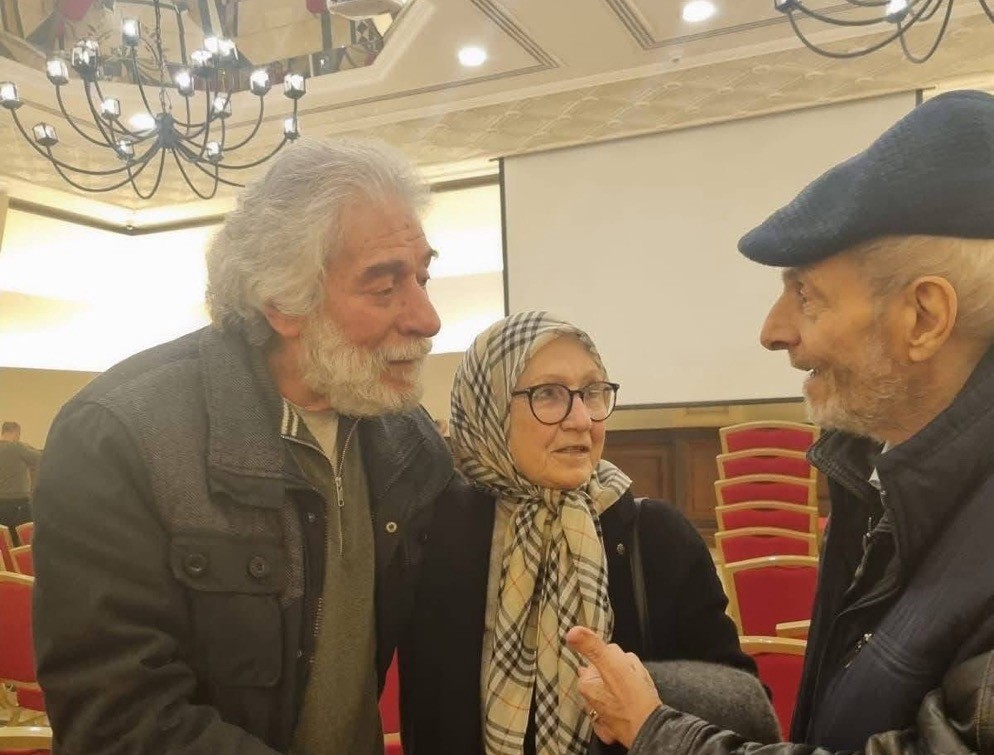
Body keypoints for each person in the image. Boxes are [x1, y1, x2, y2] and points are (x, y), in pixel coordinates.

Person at [568, 89, 994, 754]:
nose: (773, 331)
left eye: (806, 295)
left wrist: (654, 730)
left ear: (924, 318)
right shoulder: (872, 471)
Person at [31, 138, 456, 755]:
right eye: (384, 286)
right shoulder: (118, 435)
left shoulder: (407, 440)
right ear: (282, 301)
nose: (428, 318)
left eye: (421, 277)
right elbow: (117, 718)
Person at [400, 311, 774, 755]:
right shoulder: (438, 536)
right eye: (548, 394)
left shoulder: (658, 536)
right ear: (489, 410)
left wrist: (643, 695)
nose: (581, 420)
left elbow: (748, 709)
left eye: (593, 393)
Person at [0, 420, 41, 543]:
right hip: (19, 502)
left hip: (1, 501)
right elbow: (40, 459)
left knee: (6, 540)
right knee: (26, 538)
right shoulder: (17, 447)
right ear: (16, 433)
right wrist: (28, 447)